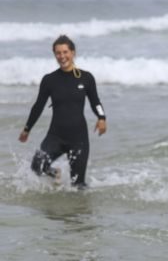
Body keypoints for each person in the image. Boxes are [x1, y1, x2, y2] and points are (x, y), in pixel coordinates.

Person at [18, 35, 107, 189]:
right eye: (58, 53)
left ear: (73, 53)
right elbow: (38, 106)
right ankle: (55, 173)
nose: (62, 56)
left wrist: (101, 118)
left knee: (78, 185)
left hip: (79, 139)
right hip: (55, 136)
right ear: (55, 55)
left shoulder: (86, 78)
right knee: (37, 165)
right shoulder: (49, 80)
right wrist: (27, 129)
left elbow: (96, 102)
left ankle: (80, 211)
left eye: (65, 52)